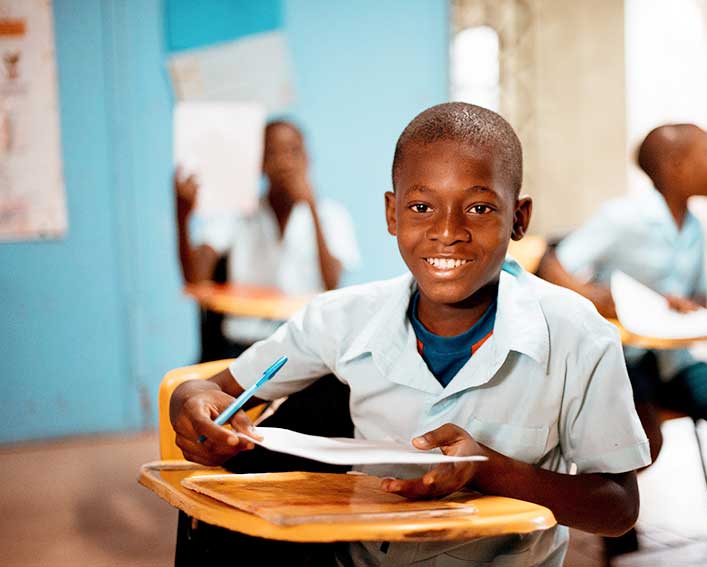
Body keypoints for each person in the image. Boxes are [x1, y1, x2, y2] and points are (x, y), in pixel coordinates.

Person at [169, 102, 651, 566]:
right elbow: (214, 389)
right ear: (392, 213)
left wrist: (490, 469)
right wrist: (190, 402)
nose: (448, 231)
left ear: (519, 218)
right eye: (422, 206)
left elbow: (617, 508)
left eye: (480, 209)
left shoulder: (578, 335)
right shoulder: (342, 317)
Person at [537, 123, 707, 567]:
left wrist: (686, 305)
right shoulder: (623, 217)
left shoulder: (696, 228)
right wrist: (598, 298)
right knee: (645, 442)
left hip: (674, 362)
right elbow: (552, 264)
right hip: (623, 367)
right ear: (676, 166)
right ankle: (610, 523)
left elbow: (699, 297)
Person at [175, 119, 360, 352]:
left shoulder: (331, 215)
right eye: (273, 152)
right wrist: (182, 215)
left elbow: (332, 284)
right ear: (260, 164)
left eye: (293, 151)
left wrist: (311, 206)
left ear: (307, 159)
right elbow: (195, 279)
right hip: (243, 344)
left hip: (304, 346)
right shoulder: (238, 213)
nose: (284, 162)